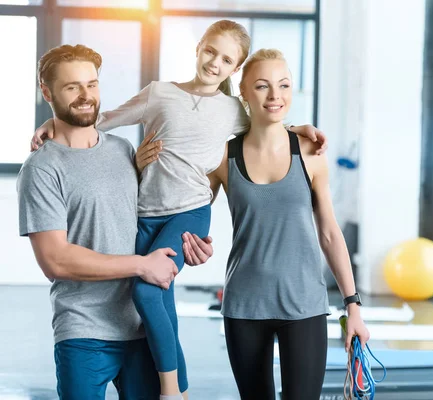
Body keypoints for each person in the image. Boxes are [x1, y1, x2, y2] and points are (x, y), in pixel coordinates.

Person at [30, 20, 327, 400]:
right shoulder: (159, 94)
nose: (214, 63)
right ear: (198, 47)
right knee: (159, 293)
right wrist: (48, 123)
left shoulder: (232, 109)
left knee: (147, 292)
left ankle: (174, 389)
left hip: (189, 211)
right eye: (210, 51)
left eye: (226, 59)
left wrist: (303, 128)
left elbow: (268, 120)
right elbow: (99, 119)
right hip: (147, 211)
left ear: (235, 70)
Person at [138, 48, 369, 400]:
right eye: (262, 86)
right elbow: (186, 208)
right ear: (243, 93)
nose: (275, 95)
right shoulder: (221, 157)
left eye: (284, 85)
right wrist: (194, 245)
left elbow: (329, 233)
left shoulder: (310, 152)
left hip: (304, 305)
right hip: (245, 305)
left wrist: (353, 307)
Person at [18, 44, 213, 400]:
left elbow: (152, 222)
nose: (85, 95)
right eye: (72, 87)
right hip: (83, 332)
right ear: (46, 92)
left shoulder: (123, 150)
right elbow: (54, 260)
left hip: (142, 330)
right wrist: (142, 266)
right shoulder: (42, 169)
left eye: (91, 84)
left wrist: (190, 246)